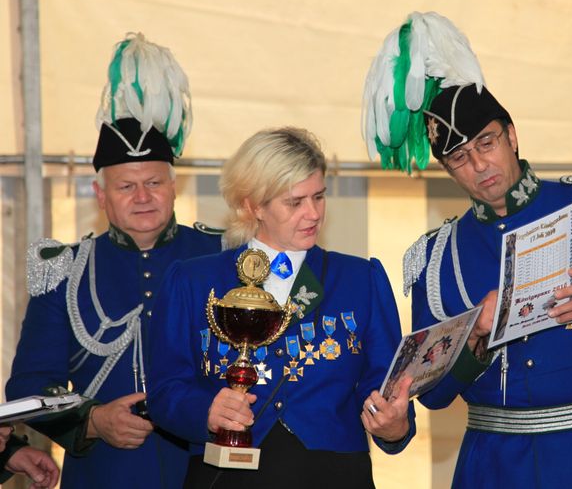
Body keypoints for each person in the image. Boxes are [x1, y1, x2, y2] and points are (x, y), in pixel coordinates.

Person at [362, 12, 572, 488]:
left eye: (487, 143)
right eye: (460, 158)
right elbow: (433, 396)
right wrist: (474, 334)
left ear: (512, 135)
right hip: (495, 467)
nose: (479, 165)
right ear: (447, 169)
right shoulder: (435, 258)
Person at [5, 33, 221, 489]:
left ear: (174, 187)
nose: (143, 197)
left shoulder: (221, 255)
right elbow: (29, 386)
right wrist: (93, 421)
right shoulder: (64, 270)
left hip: (210, 474)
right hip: (105, 475)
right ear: (100, 195)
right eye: (126, 187)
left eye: (154, 183)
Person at [147, 127, 415, 488]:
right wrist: (206, 411)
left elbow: (387, 387)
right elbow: (165, 391)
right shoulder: (193, 281)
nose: (313, 213)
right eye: (295, 202)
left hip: (334, 477)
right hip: (227, 477)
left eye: (318, 197)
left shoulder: (360, 279)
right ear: (253, 205)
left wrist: (395, 426)